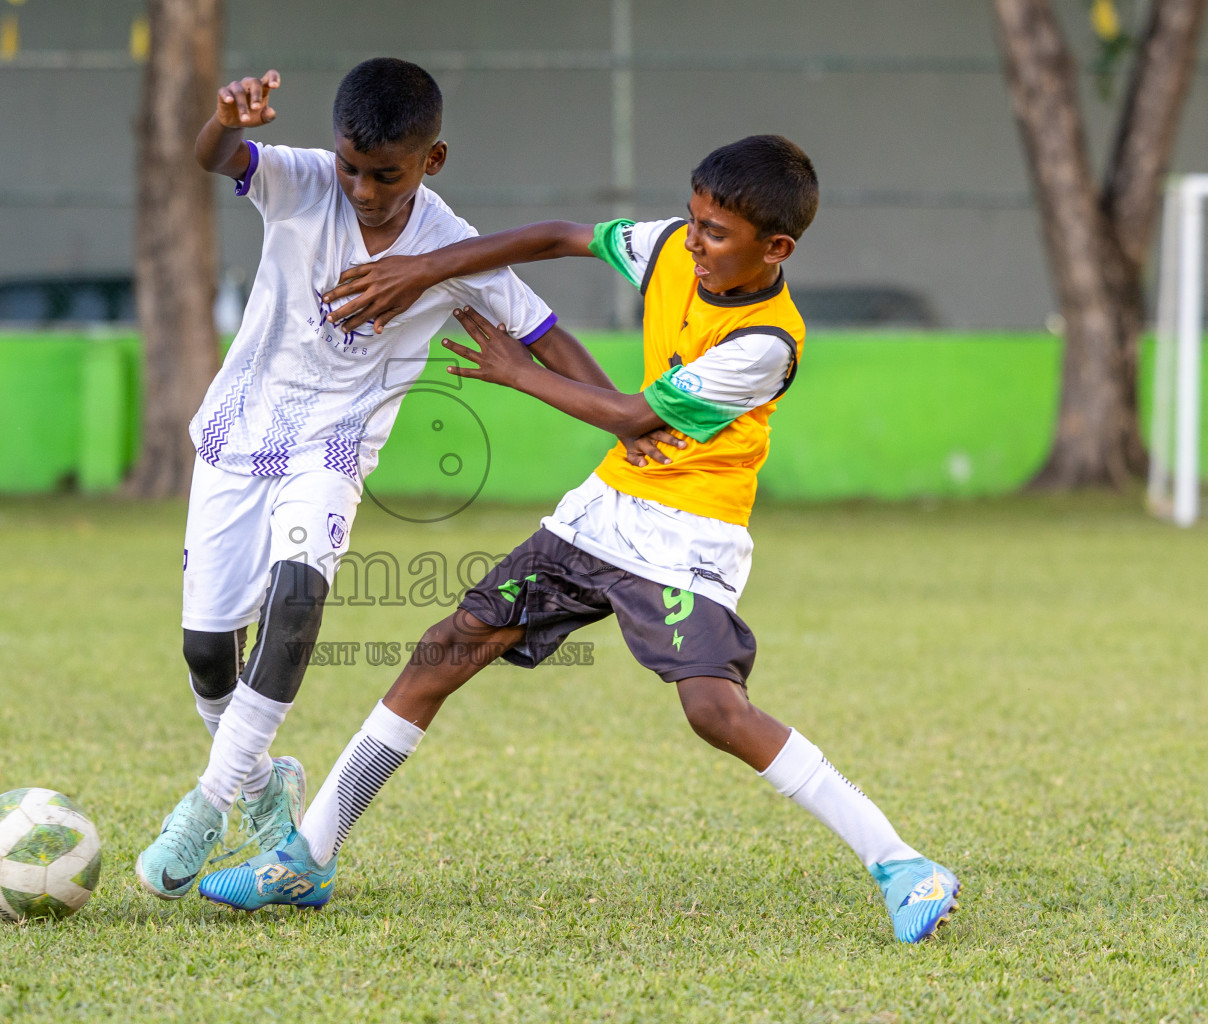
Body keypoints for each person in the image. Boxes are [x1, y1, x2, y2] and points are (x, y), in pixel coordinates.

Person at [195, 136, 961, 944]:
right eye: (695, 221)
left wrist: (517, 369)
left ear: (777, 249)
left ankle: (902, 863)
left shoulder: (767, 345)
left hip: (688, 536)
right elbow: (564, 235)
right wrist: (428, 267)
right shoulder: (671, 246)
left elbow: (635, 416)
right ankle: (306, 858)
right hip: (600, 515)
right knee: (445, 649)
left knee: (712, 709)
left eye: (717, 235)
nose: (695, 243)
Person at [135, 57, 670, 900]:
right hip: (239, 430)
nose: (364, 189)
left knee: (298, 593)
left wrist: (625, 418)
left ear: (433, 160)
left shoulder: (455, 247)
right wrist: (226, 120)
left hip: (335, 445)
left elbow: (545, 333)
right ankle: (260, 783)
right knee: (207, 651)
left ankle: (206, 803)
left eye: (386, 175)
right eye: (353, 166)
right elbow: (216, 159)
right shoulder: (306, 182)